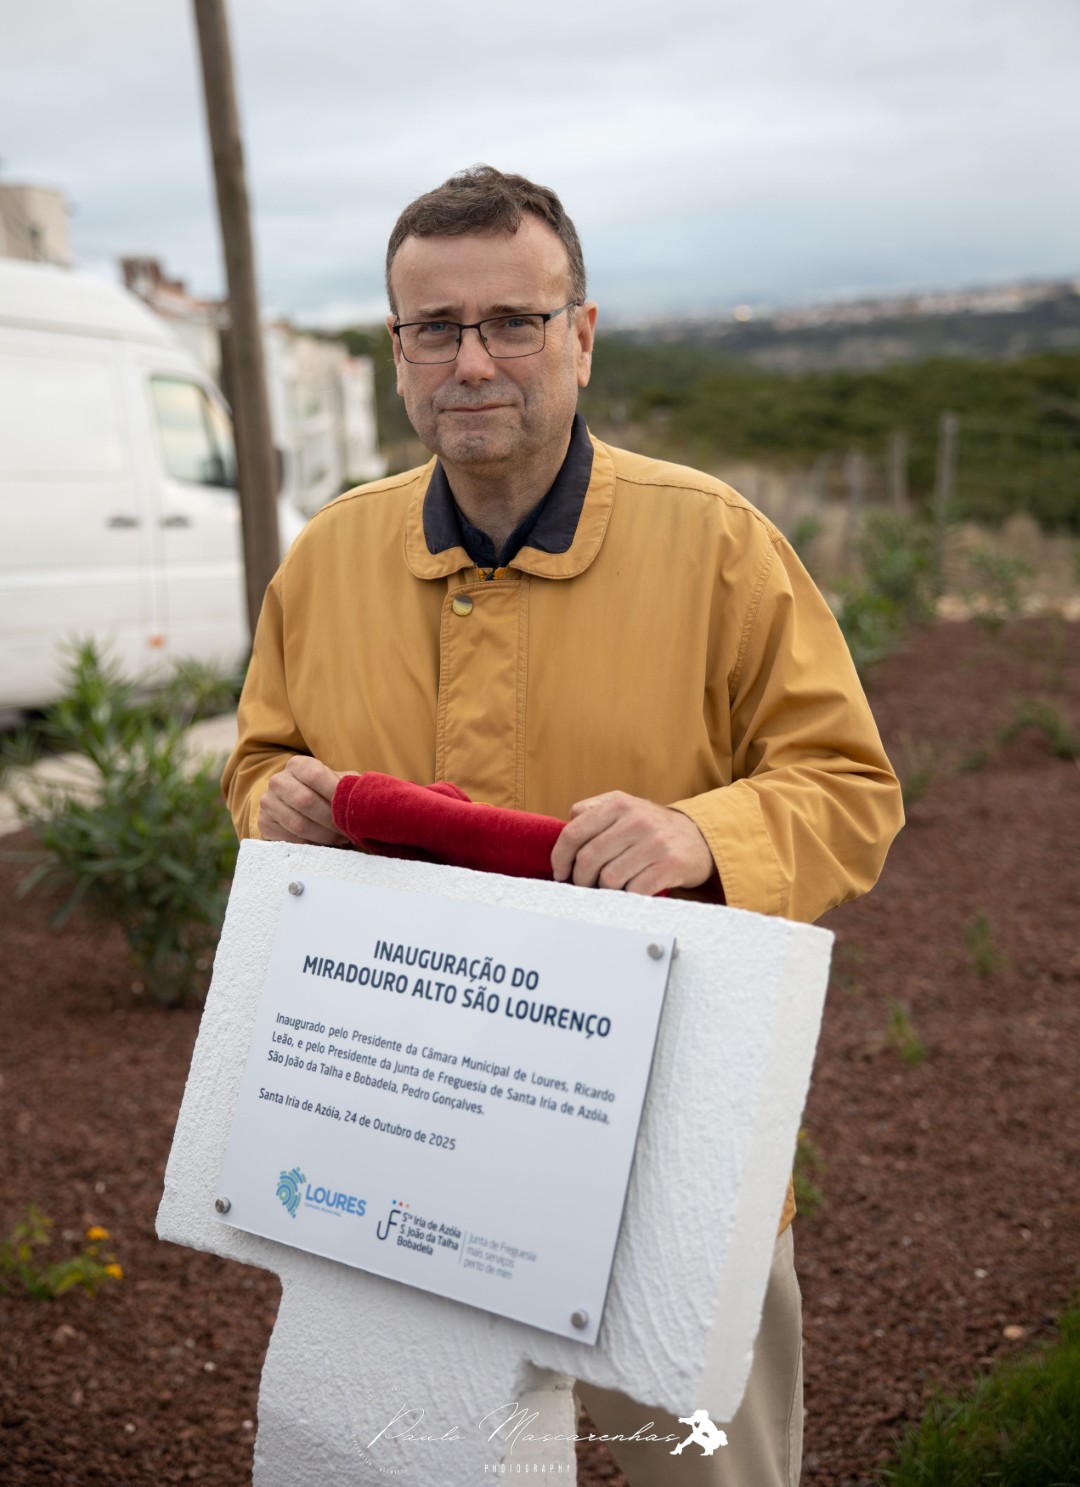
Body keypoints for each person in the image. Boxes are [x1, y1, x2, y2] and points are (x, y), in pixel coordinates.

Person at [222, 165, 904, 1486]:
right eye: (436, 328)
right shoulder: (328, 559)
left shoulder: (717, 546)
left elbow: (850, 787)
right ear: (398, 353)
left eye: (514, 322)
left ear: (581, 336)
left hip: (665, 1152)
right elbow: (261, 755)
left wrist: (708, 835)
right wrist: (273, 798)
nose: (473, 361)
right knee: (407, 1465)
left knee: (701, 1468)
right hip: (399, 1134)